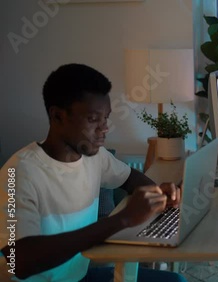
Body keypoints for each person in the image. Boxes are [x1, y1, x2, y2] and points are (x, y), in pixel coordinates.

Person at [0, 64, 186, 282]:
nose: (104, 128)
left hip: (79, 276)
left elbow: (130, 178)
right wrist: (123, 220)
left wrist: (157, 193)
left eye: (105, 118)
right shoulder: (17, 173)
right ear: (57, 116)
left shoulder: (94, 156)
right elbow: (18, 261)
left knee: (176, 280)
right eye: (93, 119)